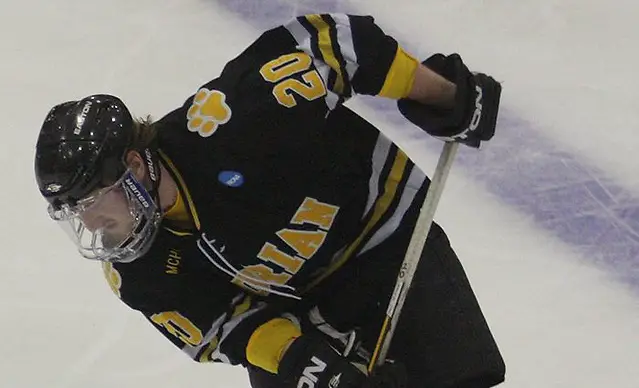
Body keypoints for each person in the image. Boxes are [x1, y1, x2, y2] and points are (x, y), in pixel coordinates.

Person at [34, 13, 505, 388]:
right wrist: (314, 368)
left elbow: (338, 45)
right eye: (74, 213)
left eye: (94, 200)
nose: (93, 223)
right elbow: (227, 326)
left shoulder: (231, 121)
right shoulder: (132, 272)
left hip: (384, 238)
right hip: (295, 313)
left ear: (135, 166)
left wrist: (443, 96)